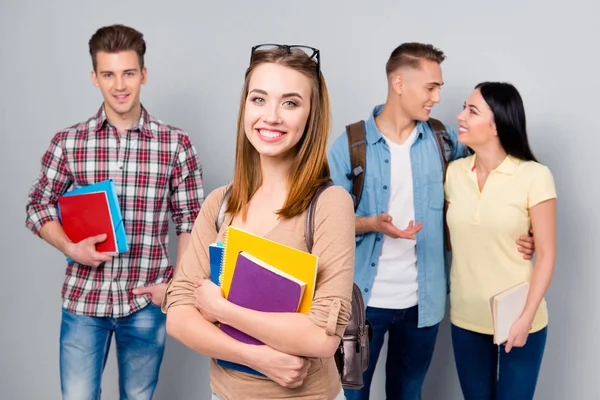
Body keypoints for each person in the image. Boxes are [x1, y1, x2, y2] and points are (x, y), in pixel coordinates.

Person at [328, 43, 536, 400]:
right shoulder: (350, 144)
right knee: (349, 395)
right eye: (431, 87)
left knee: (408, 393)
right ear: (399, 83)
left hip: (423, 305)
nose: (438, 97)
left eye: (439, 87)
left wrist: (527, 228)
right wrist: (373, 224)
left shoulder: (445, 141)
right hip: (360, 304)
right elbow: (325, 226)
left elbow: (495, 177)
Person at [164, 44, 355, 400]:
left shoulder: (329, 204)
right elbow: (178, 316)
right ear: (245, 107)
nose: (271, 116)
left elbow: (321, 338)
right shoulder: (219, 204)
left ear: (311, 116)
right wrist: (258, 357)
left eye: (291, 103)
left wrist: (220, 309)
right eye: (259, 99)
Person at [24, 24, 204, 400]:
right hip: (83, 300)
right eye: (108, 74)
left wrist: (174, 287)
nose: (119, 85)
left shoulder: (175, 144)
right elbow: (37, 205)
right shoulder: (69, 142)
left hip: (145, 302)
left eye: (128, 73)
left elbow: (191, 220)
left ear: (143, 74)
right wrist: (71, 248)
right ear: (94, 77)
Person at [446, 81, 556, 400]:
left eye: (472, 110)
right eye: (464, 107)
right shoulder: (453, 174)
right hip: (465, 318)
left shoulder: (535, 176)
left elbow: (547, 255)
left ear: (497, 125)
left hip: (520, 320)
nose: (460, 115)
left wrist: (525, 318)